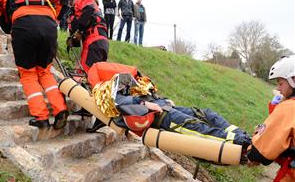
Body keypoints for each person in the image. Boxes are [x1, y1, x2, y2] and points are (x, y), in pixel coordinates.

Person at [86, 63, 252, 154]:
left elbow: (142, 94)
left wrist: (163, 100)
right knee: (198, 128)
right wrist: (144, 104)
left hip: (165, 108)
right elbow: (119, 103)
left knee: (206, 114)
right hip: (161, 117)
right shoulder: (110, 91)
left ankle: (241, 134)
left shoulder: (129, 85)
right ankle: (240, 142)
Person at [0, 0, 69, 131]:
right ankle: (60, 109)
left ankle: (41, 118)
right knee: (45, 71)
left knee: (28, 74)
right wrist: (55, 18)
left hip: (23, 23)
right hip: (49, 25)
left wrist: (10, 28)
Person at [240, 55, 295, 182]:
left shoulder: (290, 107)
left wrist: (251, 154)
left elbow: (261, 152)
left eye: (280, 83)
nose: (278, 89)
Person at [66, 0, 108, 74]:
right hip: (101, 42)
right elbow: (83, 22)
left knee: (83, 74)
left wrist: (79, 30)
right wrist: (73, 40)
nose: (69, 2)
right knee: (95, 75)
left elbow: (89, 10)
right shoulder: (80, 10)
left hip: (93, 41)